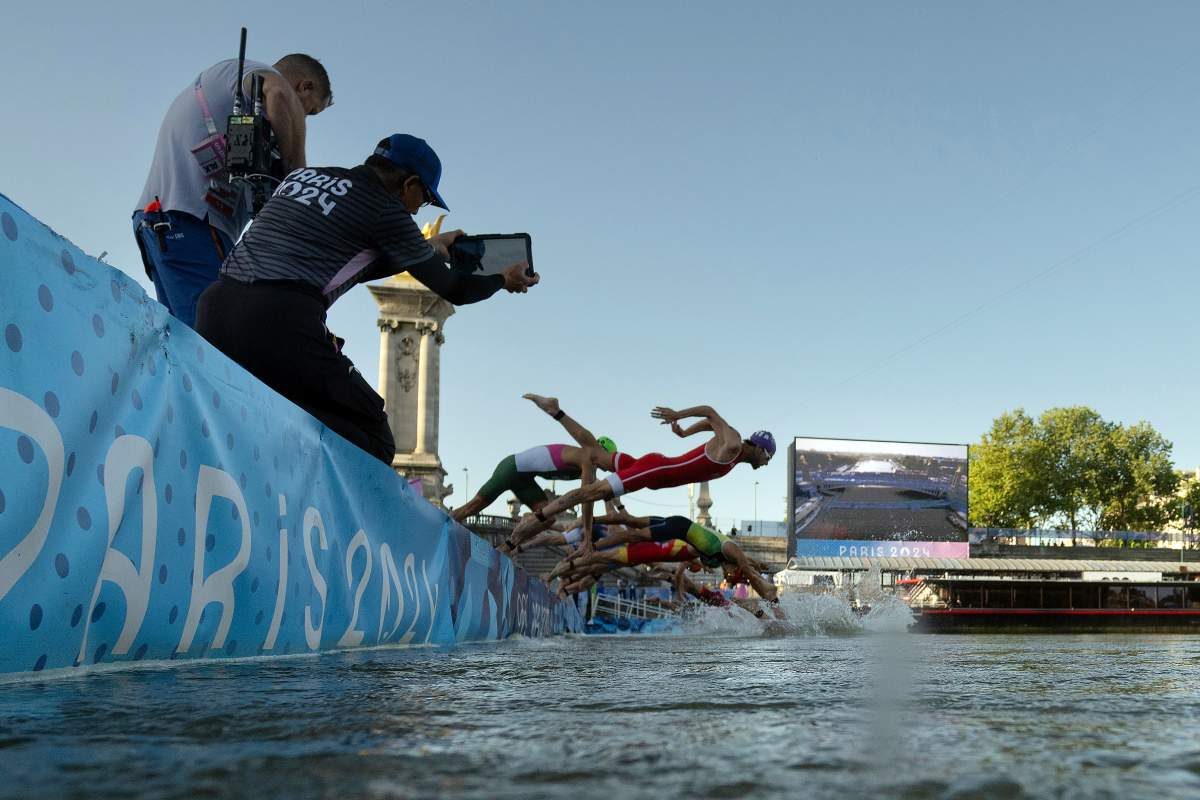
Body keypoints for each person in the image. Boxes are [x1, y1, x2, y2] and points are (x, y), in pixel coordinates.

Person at [196, 134, 538, 464]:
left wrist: (430, 248)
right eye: (426, 198)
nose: (420, 211)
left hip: (215, 308)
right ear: (410, 185)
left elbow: (348, 254)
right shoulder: (384, 208)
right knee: (375, 437)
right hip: (280, 319)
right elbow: (456, 290)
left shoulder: (303, 177)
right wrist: (501, 279)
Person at [134, 52, 334, 327]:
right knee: (218, 340)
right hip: (192, 223)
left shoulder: (238, 94)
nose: (304, 119)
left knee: (188, 345)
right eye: (309, 111)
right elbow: (278, 92)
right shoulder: (250, 74)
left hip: (166, 223)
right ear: (304, 86)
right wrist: (295, 179)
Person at [507, 403, 775, 546]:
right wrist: (677, 415)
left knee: (594, 453)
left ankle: (557, 411)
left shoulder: (734, 451)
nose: (766, 464)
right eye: (768, 457)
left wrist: (684, 433)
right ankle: (537, 518)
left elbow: (710, 422)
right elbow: (710, 412)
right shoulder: (735, 444)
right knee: (592, 491)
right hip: (652, 472)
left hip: (653, 468)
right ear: (761, 449)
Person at [452, 395, 631, 531]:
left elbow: (595, 493)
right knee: (472, 507)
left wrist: (616, 501)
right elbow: (586, 500)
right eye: (609, 460)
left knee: (548, 519)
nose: (609, 465)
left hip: (525, 480)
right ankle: (445, 522)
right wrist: (587, 535)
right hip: (511, 468)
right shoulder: (587, 461)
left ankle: (512, 544)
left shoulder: (589, 467)